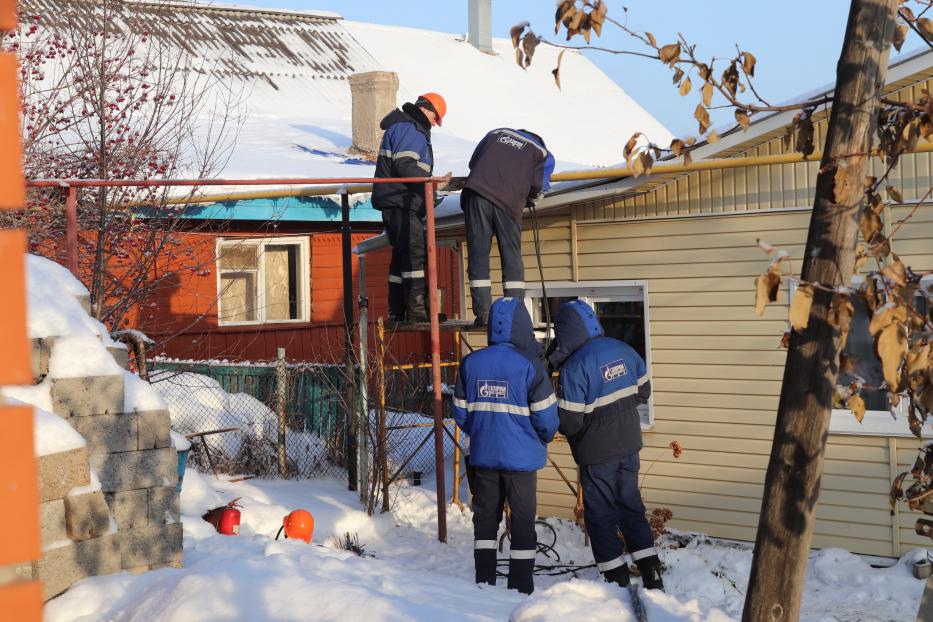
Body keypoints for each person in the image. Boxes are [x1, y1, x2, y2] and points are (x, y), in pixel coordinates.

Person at [547, 300, 664, 591]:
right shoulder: (623, 349)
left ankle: (616, 578)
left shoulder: (575, 367)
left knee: (600, 513)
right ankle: (651, 571)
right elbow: (644, 391)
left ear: (567, 332)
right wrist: (619, 412)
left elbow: (570, 422)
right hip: (629, 444)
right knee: (630, 505)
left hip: (597, 453)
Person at [452, 297, 559, 594]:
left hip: (484, 459)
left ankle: (484, 583)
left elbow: (460, 412)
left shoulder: (470, 363)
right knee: (523, 524)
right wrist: (534, 438)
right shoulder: (531, 367)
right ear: (522, 327)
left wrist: (483, 431)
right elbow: (548, 421)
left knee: (485, 522)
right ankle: (521, 586)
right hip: (522, 463)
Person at [461, 128, 555, 326]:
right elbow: (538, 186)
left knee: (478, 253)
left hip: (476, 193)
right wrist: (533, 196)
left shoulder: (496, 133)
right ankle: (513, 312)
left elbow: (473, 162)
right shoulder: (541, 152)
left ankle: (484, 313)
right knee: (511, 255)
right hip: (508, 200)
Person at [372, 92, 447, 323]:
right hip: (401, 201)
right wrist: (431, 182)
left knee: (402, 254)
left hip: (395, 200)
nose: (435, 123)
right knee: (414, 253)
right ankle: (416, 311)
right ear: (427, 110)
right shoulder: (411, 129)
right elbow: (405, 165)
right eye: (436, 118)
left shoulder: (403, 126)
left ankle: (398, 309)